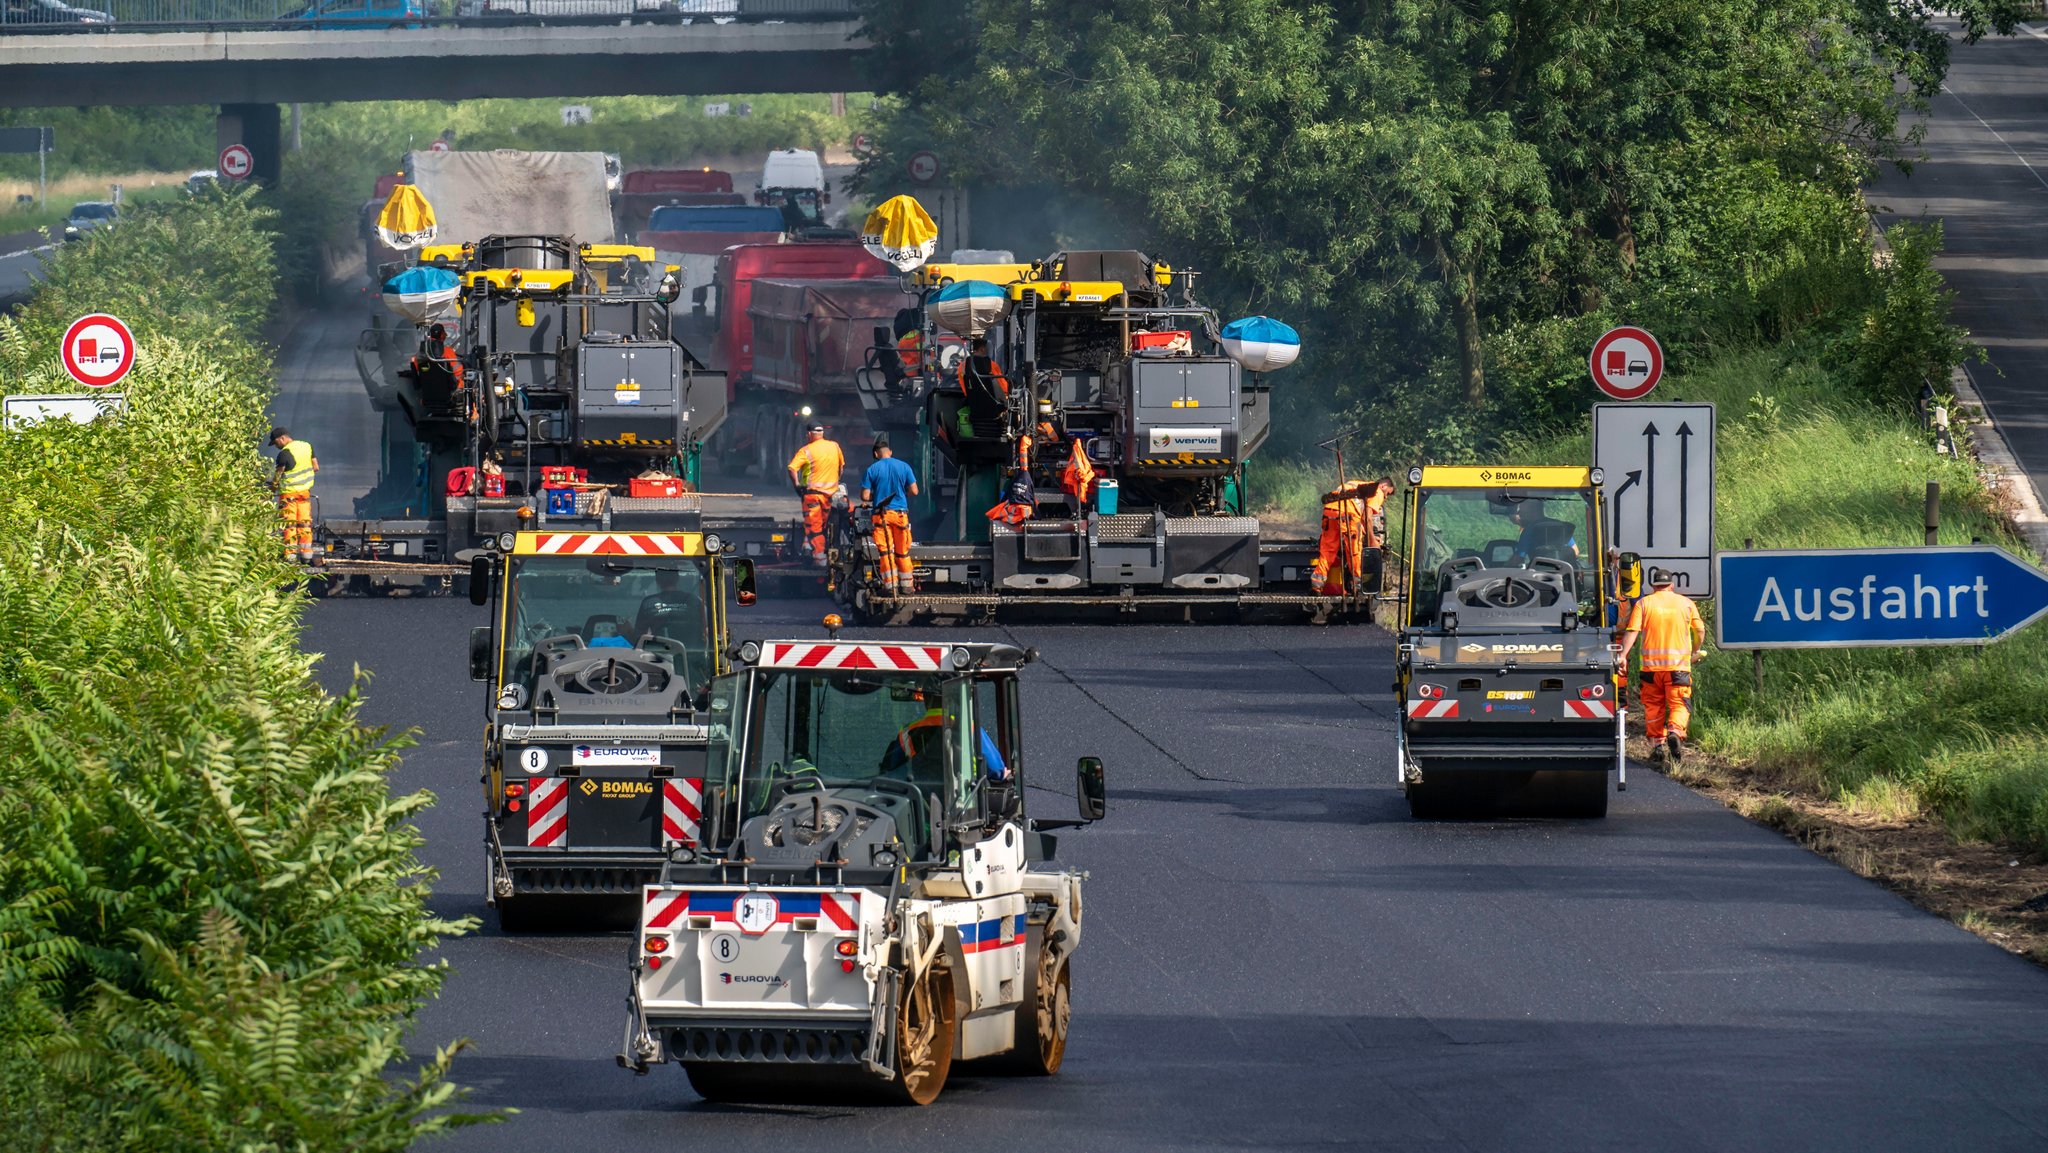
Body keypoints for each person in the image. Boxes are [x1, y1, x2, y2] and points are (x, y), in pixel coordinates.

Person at [1617, 568, 1707, 764]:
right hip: (1678, 669)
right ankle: (1674, 731)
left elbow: (1632, 631)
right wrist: (1696, 650)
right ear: (1672, 585)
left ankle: (1657, 745)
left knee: (1653, 707)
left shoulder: (1644, 603)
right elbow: (1700, 630)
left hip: (1651, 670)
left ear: (1653, 586)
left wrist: (1623, 655)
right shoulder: (1686, 603)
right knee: (1679, 704)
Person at [880, 693, 1010, 781]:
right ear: (952, 700)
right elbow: (995, 770)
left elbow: (891, 772)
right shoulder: (969, 728)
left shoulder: (908, 732)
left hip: (921, 805)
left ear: (926, 701)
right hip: (965, 807)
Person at [861, 433, 920, 595]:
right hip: (901, 515)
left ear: (875, 454)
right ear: (890, 452)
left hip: (882, 516)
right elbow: (914, 491)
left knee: (886, 552)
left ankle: (891, 586)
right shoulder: (904, 466)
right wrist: (902, 495)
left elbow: (865, 496)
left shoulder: (872, 469)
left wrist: (876, 497)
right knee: (902, 552)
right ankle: (907, 586)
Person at [785, 423, 845, 566]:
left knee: (814, 528)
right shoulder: (835, 446)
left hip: (812, 496)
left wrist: (797, 485)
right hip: (831, 496)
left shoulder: (806, 450)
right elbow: (841, 468)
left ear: (810, 434)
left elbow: (792, 468)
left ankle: (820, 560)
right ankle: (808, 548)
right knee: (823, 526)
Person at [1311, 479, 1373, 595]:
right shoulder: (1376, 491)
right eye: (1387, 494)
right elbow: (1367, 518)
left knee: (1327, 551)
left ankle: (1317, 585)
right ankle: (1358, 586)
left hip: (1329, 511)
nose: (1385, 497)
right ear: (1384, 486)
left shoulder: (1351, 483)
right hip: (1348, 514)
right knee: (1354, 552)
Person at [269, 427, 318, 565]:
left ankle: (290, 557)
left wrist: (271, 491)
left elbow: (278, 476)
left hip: (289, 496)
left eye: (276, 443)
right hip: (304, 495)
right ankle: (306, 555)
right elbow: (315, 467)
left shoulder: (284, 454)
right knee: (304, 524)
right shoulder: (307, 446)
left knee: (289, 525)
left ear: (282, 439)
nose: (276, 446)